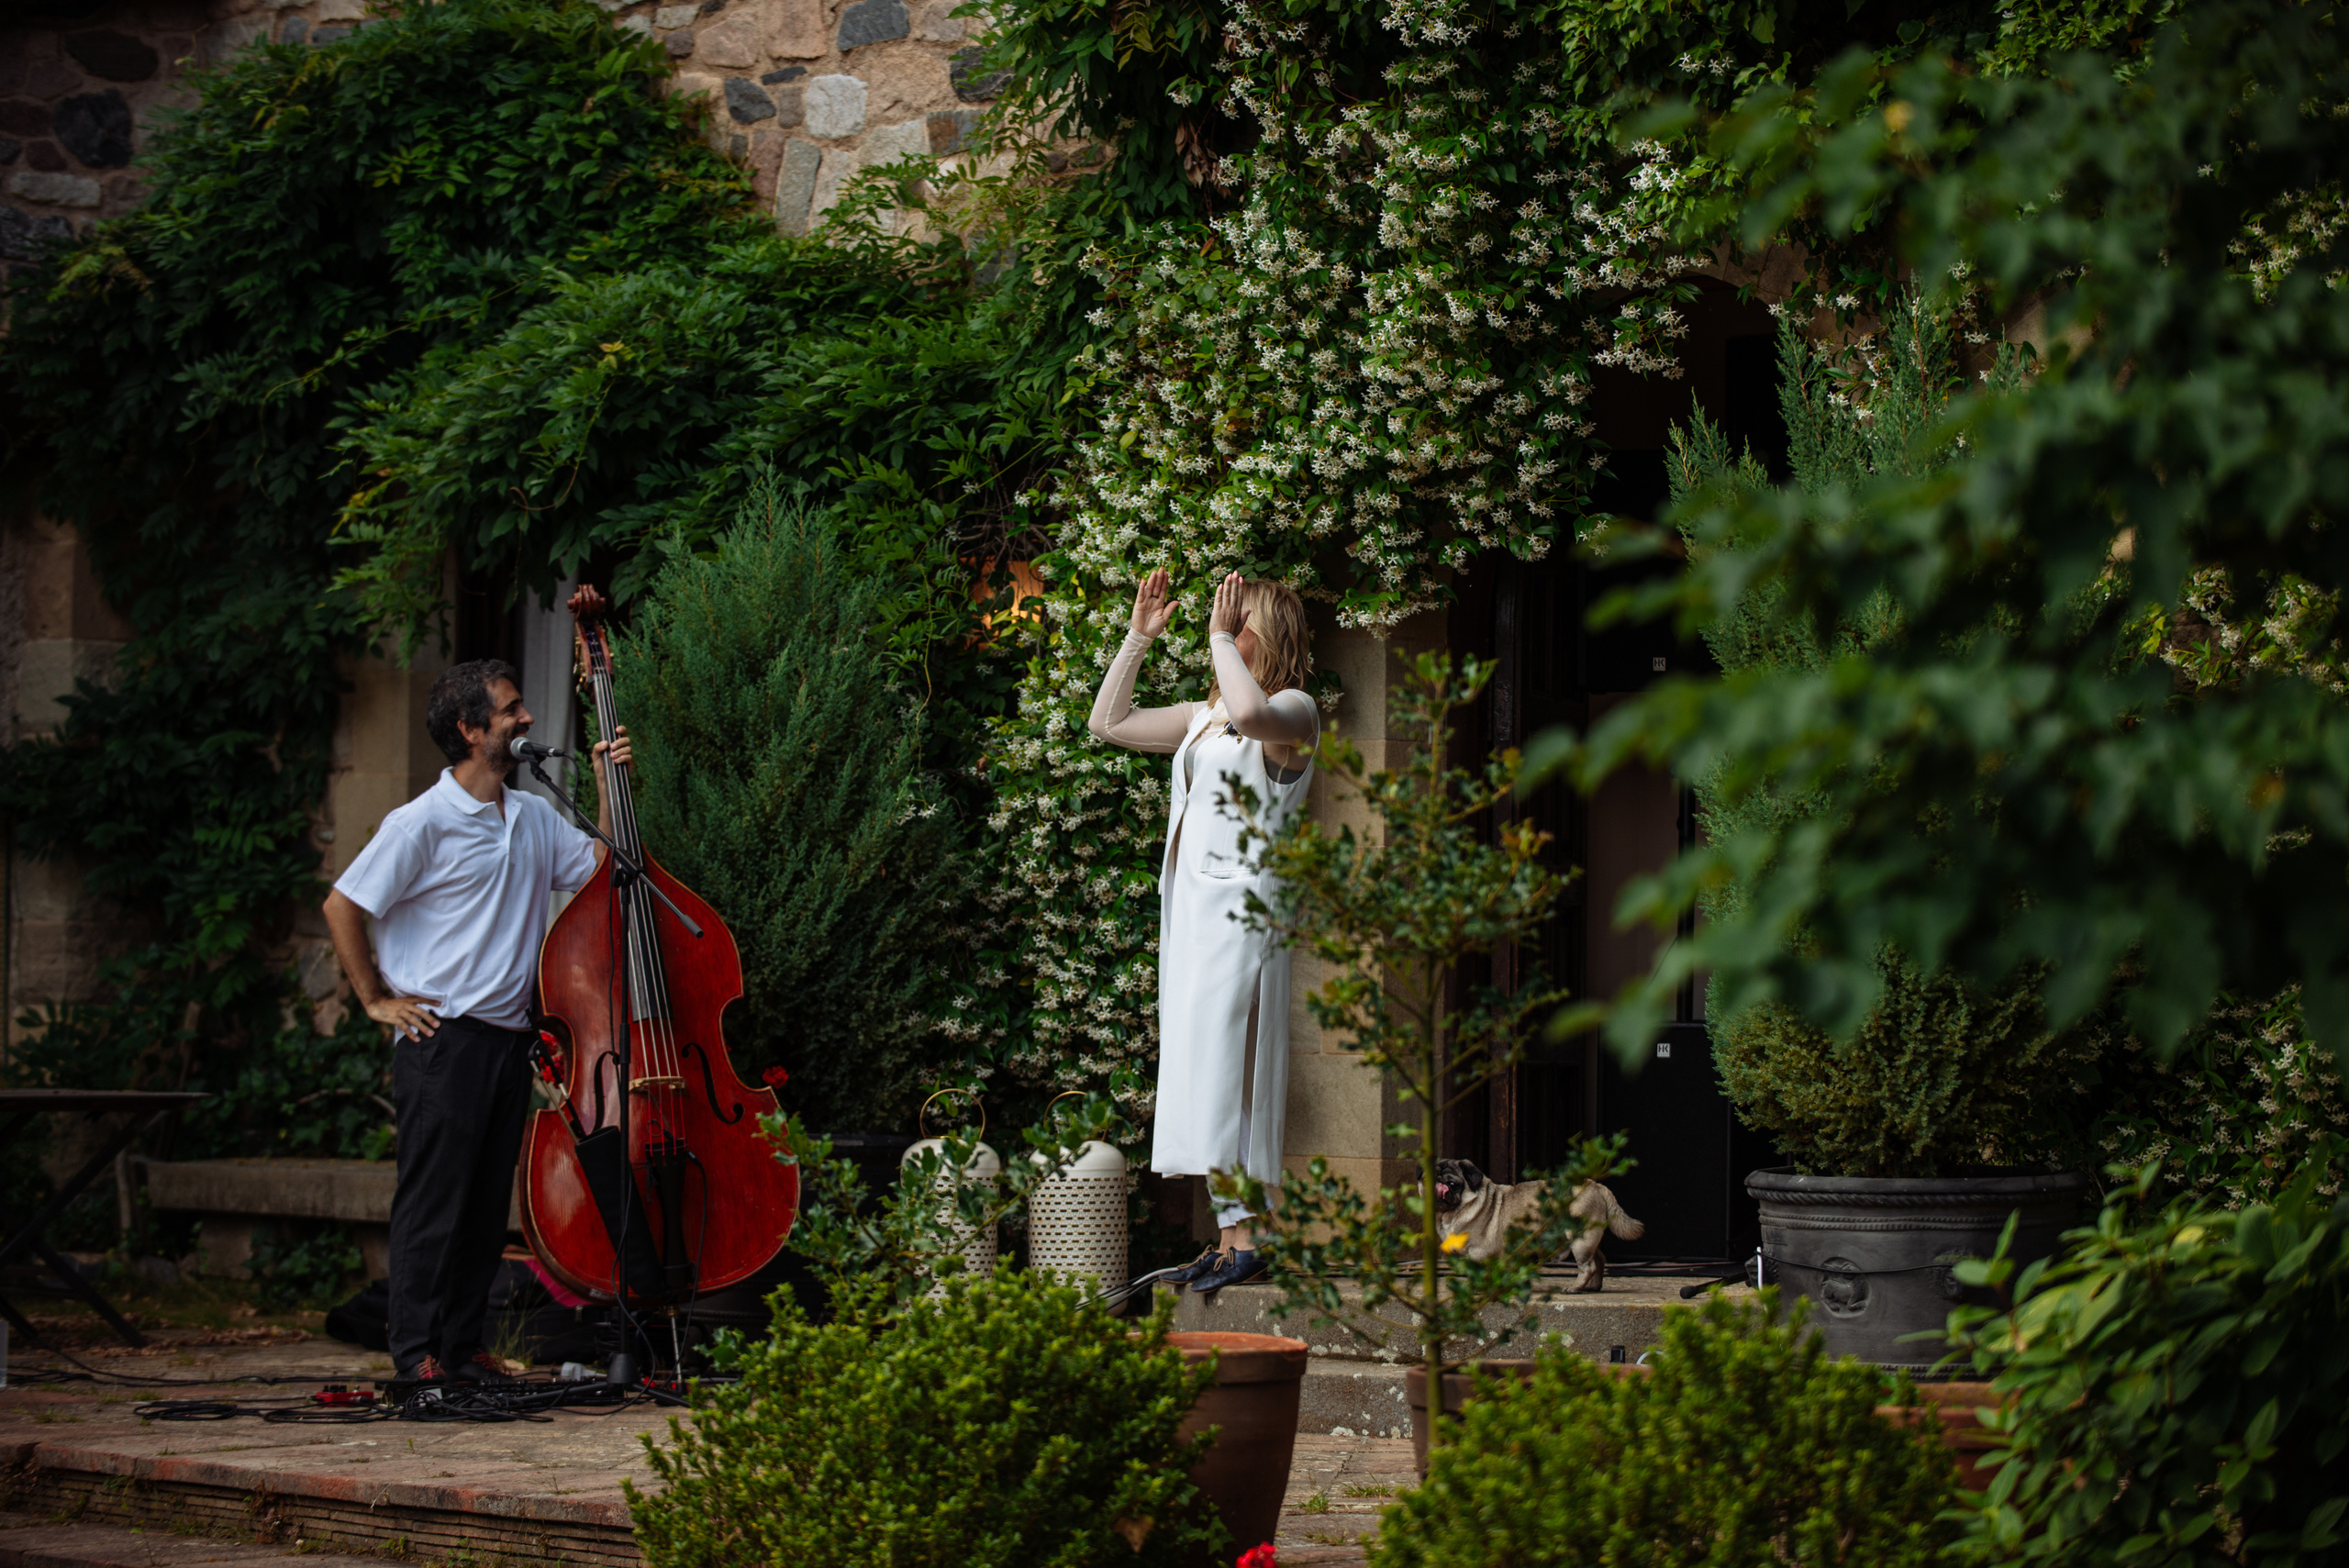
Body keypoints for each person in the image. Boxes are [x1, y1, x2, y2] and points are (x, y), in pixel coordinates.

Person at [322, 658, 629, 1384]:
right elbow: (343, 905)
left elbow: (602, 867)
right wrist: (375, 1000)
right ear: (470, 729)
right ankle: (417, 1357)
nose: (526, 718)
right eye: (511, 708)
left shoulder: (528, 817)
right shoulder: (421, 822)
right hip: (442, 1040)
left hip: (507, 1041)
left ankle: (461, 1351)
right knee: (435, 1203)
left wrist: (611, 784)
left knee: (487, 1206)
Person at [1088, 567, 1318, 1293]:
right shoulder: (1202, 715)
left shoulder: (1293, 710)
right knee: (1206, 1073)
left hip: (1246, 914)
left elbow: (1252, 717)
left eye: (1236, 619)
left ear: (1265, 632)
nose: (1220, 628)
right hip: (1190, 912)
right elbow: (1109, 724)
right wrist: (1137, 639)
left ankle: (1247, 1234)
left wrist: (1219, 638)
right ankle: (1228, 1237)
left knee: (1238, 1070)